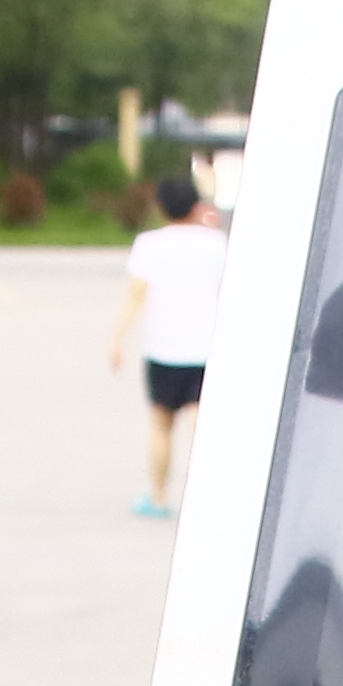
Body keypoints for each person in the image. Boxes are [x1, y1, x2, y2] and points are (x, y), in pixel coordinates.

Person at [110, 162, 230, 515]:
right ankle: (214, 497)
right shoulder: (216, 243)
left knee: (162, 424)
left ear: (160, 207)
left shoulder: (149, 244)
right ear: (196, 206)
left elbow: (136, 295)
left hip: (164, 347)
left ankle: (160, 497)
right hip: (207, 347)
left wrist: (117, 337)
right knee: (203, 423)